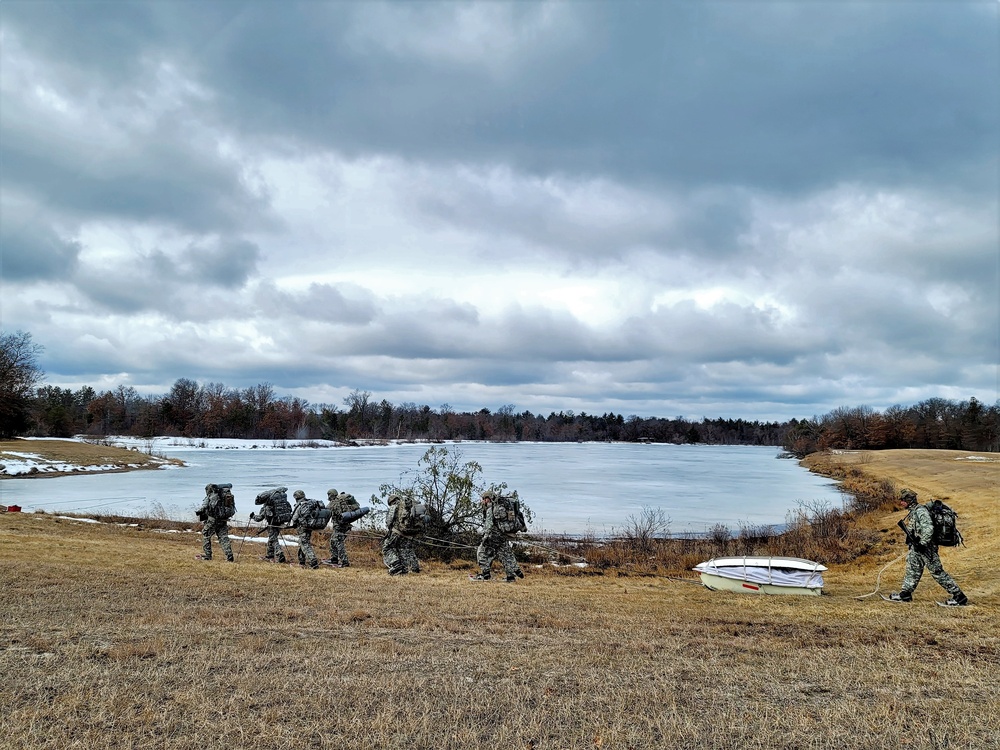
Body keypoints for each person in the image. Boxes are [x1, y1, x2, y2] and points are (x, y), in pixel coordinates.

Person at [888, 488, 968, 606]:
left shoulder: (921, 511)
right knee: (912, 568)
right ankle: (906, 593)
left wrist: (922, 544)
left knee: (937, 572)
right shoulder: (913, 511)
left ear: (909, 500)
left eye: (903, 500)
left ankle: (959, 596)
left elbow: (928, 529)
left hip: (927, 548)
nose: (901, 502)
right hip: (917, 547)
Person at [471, 490, 525, 583]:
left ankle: (485, 575)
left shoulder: (491, 509)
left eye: (484, 499)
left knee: (482, 552)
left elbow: (488, 526)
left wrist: (484, 538)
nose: (482, 501)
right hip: (503, 535)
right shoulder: (503, 506)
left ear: (488, 499)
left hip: (494, 536)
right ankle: (511, 576)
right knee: (505, 554)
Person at [382, 493, 422, 575]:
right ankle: (414, 568)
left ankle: (396, 566)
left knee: (387, 548)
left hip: (398, 532)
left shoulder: (394, 506)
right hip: (410, 532)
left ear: (391, 501)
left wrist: (390, 529)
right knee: (406, 549)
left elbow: (389, 521)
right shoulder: (410, 506)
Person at [196, 483, 235, 562]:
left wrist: (198, 512)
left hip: (212, 521)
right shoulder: (226, 496)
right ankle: (229, 555)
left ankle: (208, 555)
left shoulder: (211, 496)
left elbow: (204, 507)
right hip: (223, 520)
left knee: (206, 535)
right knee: (223, 537)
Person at [250, 487, 289, 564]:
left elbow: (259, 518)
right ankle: (269, 556)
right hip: (280, 521)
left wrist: (253, 516)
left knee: (273, 539)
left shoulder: (267, 507)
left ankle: (279, 553)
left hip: (272, 523)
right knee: (271, 538)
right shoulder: (280, 503)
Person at [324, 489, 360, 567]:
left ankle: (345, 562)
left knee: (339, 543)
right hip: (344, 525)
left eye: (328, 495)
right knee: (333, 541)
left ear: (331, 495)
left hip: (339, 526)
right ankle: (334, 559)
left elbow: (326, 510)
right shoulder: (343, 501)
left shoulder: (334, 503)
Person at [289, 489, 320, 569]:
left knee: (304, 543)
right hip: (310, 526)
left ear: (296, 497)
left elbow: (294, 518)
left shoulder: (300, 505)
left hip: (302, 527)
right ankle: (301, 561)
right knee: (303, 542)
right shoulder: (310, 503)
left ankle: (313, 562)